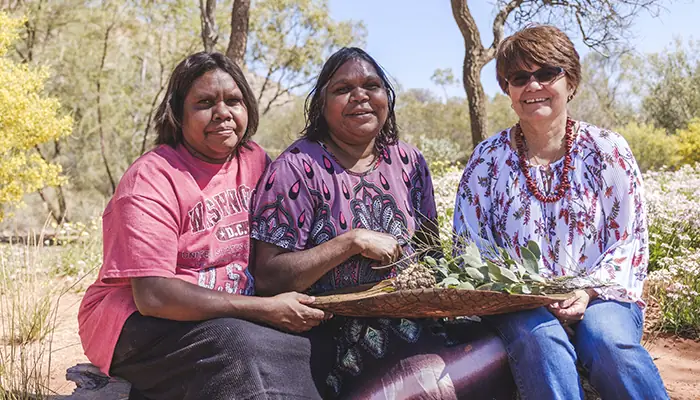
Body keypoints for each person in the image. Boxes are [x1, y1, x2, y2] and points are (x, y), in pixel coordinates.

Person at [250, 47, 514, 400]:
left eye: (371, 85)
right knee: (425, 383)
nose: (359, 96)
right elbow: (268, 278)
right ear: (321, 104)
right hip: (333, 334)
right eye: (343, 89)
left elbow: (429, 253)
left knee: (499, 352)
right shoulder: (296, 168)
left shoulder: (408, 161)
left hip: (417, 318)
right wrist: (350, 242)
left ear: (386, 97)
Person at [77, 52, 331, 400]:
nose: (223, 113)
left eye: (234, 100)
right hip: (135, 321)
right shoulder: (151, 179)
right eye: (205, 103)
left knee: (307, 344)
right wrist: (264, 309)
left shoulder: (256, 161)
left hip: (229, 317)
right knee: (237, 346)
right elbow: (153, 295)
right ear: (178, 115)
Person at [453, 25, 669, 400]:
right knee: (543, 341)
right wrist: (525, 293)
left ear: (570, 81)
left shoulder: (607, 150)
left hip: (601, 295)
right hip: (515, 303)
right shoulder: (487, 161)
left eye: (547, 73)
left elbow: (628, 240)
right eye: (519, 77)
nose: (533, 86)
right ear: (508, 90)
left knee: (609, 344)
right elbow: (469, 245)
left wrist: (585, 291)